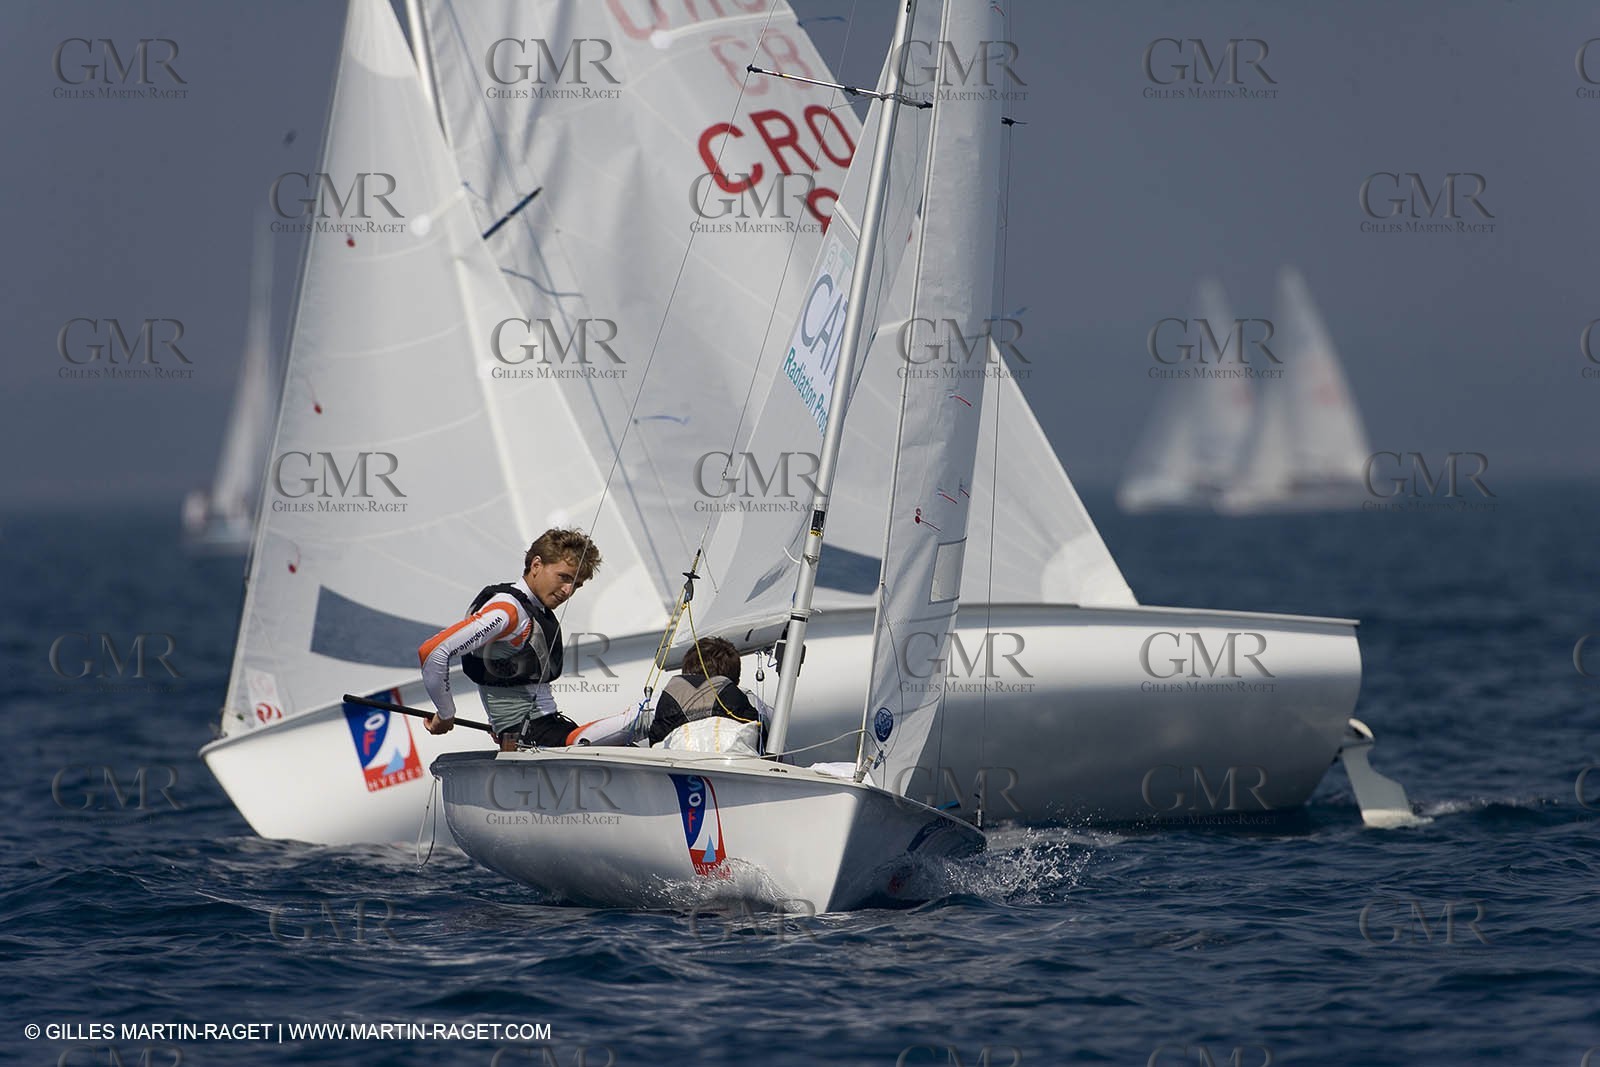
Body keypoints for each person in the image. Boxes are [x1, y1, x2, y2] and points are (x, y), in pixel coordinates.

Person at [418, 528, 601, 751]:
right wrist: (446, 713)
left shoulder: (532, 607)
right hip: (534, 735)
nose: (568, 590)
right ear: (536, 565)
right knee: (635, 726)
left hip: (530, 733)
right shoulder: (507, 611)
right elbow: (433, 651)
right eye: (564, 577)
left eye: (577, 585)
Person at [649, 636, 765, 750]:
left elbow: (632, 720)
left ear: (686, 675)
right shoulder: (751, 701)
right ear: (736, 682)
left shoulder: (663, 699)